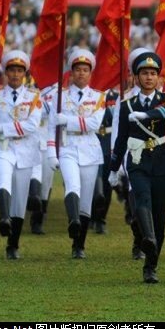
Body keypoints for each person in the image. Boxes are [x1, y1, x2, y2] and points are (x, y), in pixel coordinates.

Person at [109, 52, 165, 283]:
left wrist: (147, 114)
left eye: (153, 73)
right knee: (141, 198)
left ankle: (151, 266)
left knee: (159, 214)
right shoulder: (126, 104)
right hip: (138, 160)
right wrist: (113, 168)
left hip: (160, 159)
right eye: (144, 73)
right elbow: (120, 139)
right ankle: (147, 238)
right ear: (137, 78)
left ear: (159, 77)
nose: (149, 77)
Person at [0, 50, 42, 259]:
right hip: (3, 149)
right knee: (3, 182)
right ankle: (4, 218)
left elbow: (32, 126)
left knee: (20, 201)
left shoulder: (34, 97)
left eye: (19, 71)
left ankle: (12, 245)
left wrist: (4, 128)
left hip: (25, 151)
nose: (15, 74)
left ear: (24, 73)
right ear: (5, 73)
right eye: (11, 70)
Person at [47, 49, 106, 258]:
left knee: (86, 200)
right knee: (72, 185)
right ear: (71, 73)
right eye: (77, 70)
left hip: (89, 148)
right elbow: (51, 126)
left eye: (85, 70)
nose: (81, 73)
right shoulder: (59, 96)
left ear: (90, 73)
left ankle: (79, 245)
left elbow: (94, 123)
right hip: (67, 145)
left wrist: (69, 121)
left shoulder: (99, 97)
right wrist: (51, 152)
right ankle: (73, 221)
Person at [90, 88, 119, 235]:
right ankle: (88, 215)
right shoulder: (90, 94)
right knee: (89, 180)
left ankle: (101, 219)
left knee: (107, 183)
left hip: (107, 141)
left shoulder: (114, 95)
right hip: (91, 138)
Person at [30, 82, 57, 235]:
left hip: (48, 140)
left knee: (46, 182)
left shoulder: (57, 89)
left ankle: (39, 218)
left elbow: (54, 111)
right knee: (31, 177)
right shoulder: (26, 87)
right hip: (30, 140)